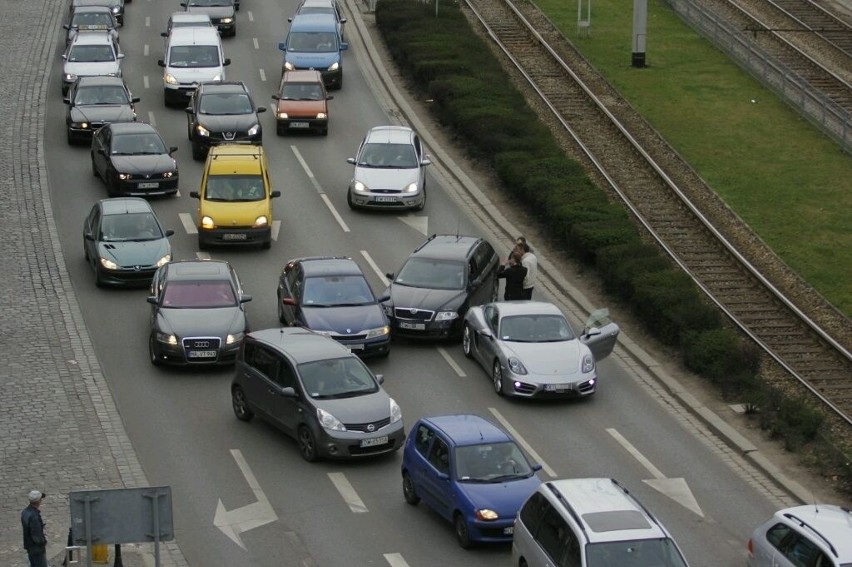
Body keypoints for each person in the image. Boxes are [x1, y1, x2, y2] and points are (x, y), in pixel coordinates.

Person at [21, 490, 48, 567]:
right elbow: (37, 537)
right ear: (38, 501)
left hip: (29, 546)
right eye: (41, 499)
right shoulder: (34, 516)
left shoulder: (25, 512)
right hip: (37, 549)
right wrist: (44, 541)